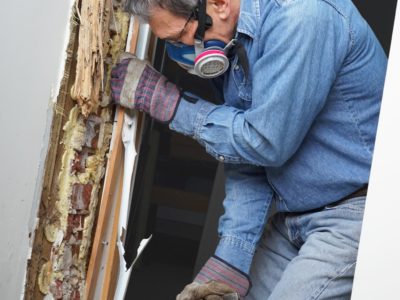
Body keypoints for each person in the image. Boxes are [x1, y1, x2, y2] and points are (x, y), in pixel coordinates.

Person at [110, 0, 387, 298]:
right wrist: (233, 255)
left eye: (180, 38)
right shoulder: (233, 41)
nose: (181, 51)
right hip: (292, 216)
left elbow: (266, 143)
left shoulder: (302, 17)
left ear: (218, 4)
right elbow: (246, 156)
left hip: (354, 216)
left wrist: (171, 105)